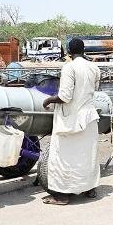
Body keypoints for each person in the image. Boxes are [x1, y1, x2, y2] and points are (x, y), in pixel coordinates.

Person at [42, 38, 102, 205]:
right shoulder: (94, 68)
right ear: (83, 50)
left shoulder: (69, 67)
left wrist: (48, 100)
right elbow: (94, 90)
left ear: (68, 50)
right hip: (89, 119)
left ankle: (61, 196)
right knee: (87, 156)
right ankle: (89, 188)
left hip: (72, 122)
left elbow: (65, 96)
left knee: (63, 158)